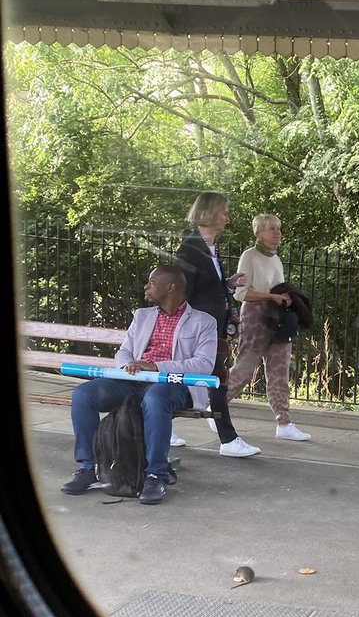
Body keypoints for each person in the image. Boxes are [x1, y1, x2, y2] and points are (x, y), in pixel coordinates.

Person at [60, 265, 217, 506]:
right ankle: (89, 467)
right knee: (84, 394)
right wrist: (129, 366)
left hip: (172, 383)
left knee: (155, 399)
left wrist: (156, 367)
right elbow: (124, 352)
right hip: (133, 380)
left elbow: (204, 364)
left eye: (152, 282)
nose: (146, 287)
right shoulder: (142, 316)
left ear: (170, 287)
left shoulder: (203, 322)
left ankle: (155, 475)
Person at [174, 191, 260, 458]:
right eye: (224, 212)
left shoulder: (209, 247)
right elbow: (183, 293)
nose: (227, 218)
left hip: (211, 327)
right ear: (210, 213)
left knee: (207, 380)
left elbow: (207, 288)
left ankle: (159, 424)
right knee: (217, 380)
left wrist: (228, 285)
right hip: (198, 330)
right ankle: (228, 439)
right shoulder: (190, 249)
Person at [225, 214, 312, 441]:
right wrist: (271, 296)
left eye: (279, 228)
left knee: (279, 371)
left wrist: (287, 298)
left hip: (277, 315)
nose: (278, 233)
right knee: (245, 368)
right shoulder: (249, 256)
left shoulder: (276, 259)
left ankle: (284, 423)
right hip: (255, 315)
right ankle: (216, 408)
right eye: (272, 229)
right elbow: (241, 294)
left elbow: (277, 287)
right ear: (259, 233)